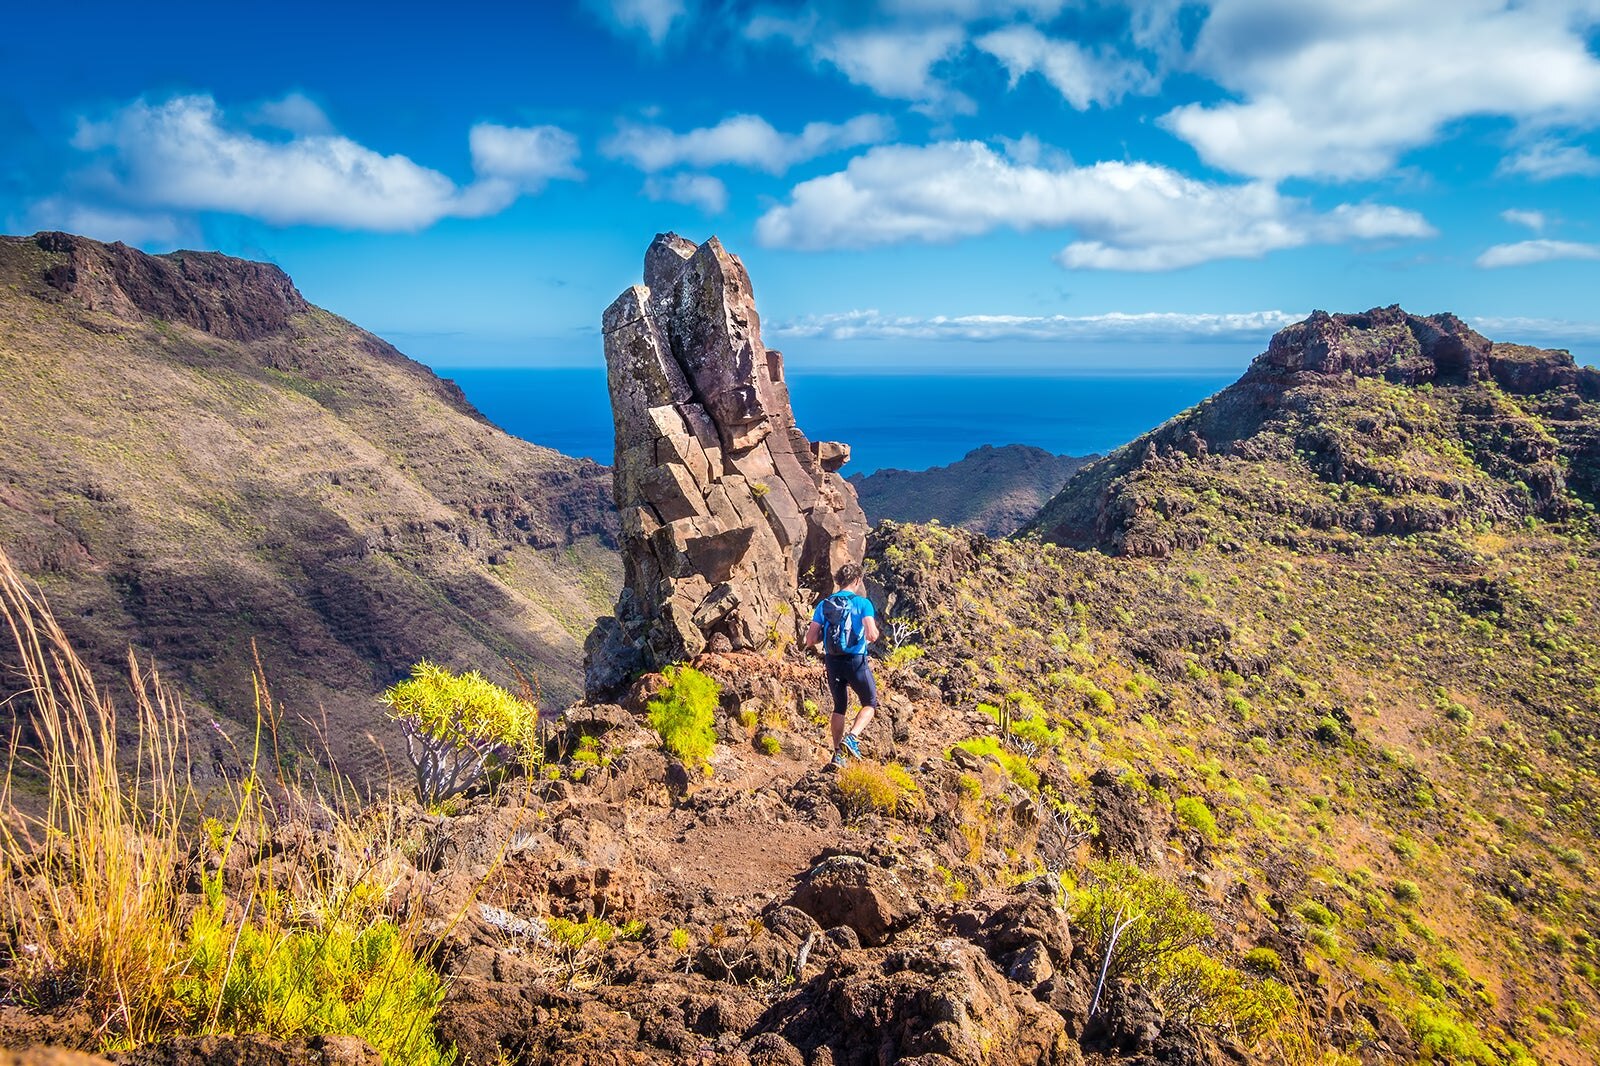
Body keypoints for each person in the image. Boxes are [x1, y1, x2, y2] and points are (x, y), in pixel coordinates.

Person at [804, 561, 880, 767]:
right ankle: (852, 737)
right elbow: (872, 635)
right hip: (855, 661)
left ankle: (838, 754)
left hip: (832, 661)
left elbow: (810, 639)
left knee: (840, 706)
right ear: (857, 580)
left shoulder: (824, 604)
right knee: (870, 703)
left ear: (838, 581)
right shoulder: (863, 604)